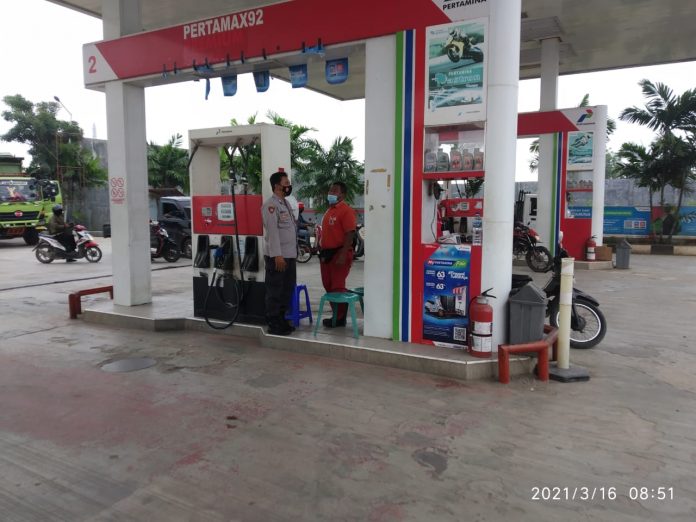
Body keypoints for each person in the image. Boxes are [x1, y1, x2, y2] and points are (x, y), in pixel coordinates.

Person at [262, 170, 298, 336]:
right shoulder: (270, 205)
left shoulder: (286, 204)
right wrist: (277, 255)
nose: (289, 186)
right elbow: (273, 232)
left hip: (289, 255)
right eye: (286, 183)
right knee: (275, 290)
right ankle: (273, 322)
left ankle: (282, 319)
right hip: (278, 256)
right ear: (277, 186)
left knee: (287, 289)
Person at [319, 182, 357, 328]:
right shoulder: (330, 210)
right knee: (327, 284)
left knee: (337, 286)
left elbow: (350, 233)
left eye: (335, 191)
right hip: (327, 254)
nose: (331, 193)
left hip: (339, 253)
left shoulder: (346, 211)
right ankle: (337, 313)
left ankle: (339, 318)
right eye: (330, 190)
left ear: (343, 194)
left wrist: (343, 254)